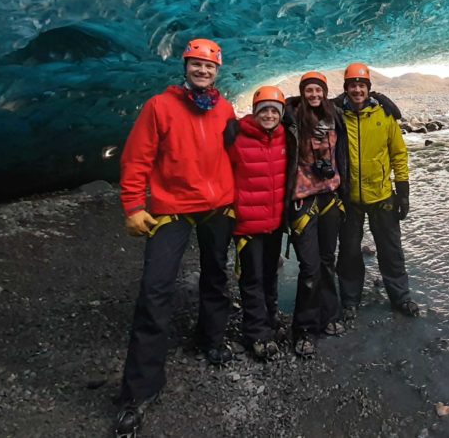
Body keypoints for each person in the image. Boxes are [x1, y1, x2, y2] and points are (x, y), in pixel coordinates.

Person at [114, 38, 236, 438]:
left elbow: (236, 156)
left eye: (209, 66)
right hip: (172, 208)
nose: (203, 71)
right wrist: (134, 206)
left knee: (216, 276)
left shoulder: (224, 108)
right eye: (196, 64)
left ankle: (210, 339)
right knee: (155, 290)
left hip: (217, 206)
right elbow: (137, 158)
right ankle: (140, 390)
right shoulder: (159, 107)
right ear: (185, 66)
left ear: (217, 72)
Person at [335, 62, 420, 319]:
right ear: (346, 89)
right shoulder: (338, 116)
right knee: (349, 252)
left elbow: (398, 153)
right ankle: (350, 300)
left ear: (368, 89)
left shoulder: (384, 116)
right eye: (352, 85)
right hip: (349, 197)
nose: (357, 90)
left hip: (382, 195)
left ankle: (400, 298)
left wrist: (402, 191)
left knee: (391, 250)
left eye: (362, 85)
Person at [284, 71, 350, 357]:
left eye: (318, 90)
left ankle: (330, 317)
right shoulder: (293, 116)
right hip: (303, 202)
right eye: (308, 90)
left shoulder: (334, 115)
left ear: (325, 92)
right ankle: (303, 330)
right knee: (310, 268)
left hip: (330, 198)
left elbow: (343, 153)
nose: (314, 95)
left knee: (326, 261)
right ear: (302, 92)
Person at [225, 86, 290, 361]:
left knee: (270, 274)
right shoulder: (236, 137)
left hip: (274, 223)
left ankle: (271, 318)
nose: (269, 115)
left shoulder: (285, 136)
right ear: (255, 112)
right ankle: (257, 334)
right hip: (247, 225)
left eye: (275, 110)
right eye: (264, 110)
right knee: (252, 280)